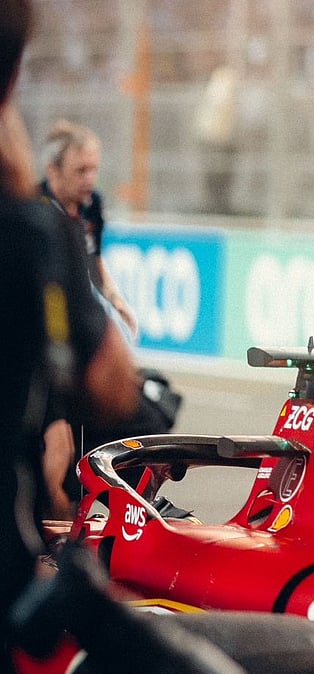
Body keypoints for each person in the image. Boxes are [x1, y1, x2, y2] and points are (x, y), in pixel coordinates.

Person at [0, 2, 141, 665]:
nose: (90, 181)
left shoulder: (80, 217)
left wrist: (110, 294)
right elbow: (112, 388)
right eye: (81, 170)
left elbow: (99, 264)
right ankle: (60, 531)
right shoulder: (33, 226)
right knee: (58, 436)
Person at [39, 118, 137, 338]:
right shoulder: (34, 210)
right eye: (81, 171)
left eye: (94, 169)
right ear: (53, 170)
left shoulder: (92, 206)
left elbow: (93, 262)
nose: (90, 179)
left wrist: (116, 300)